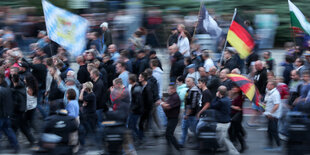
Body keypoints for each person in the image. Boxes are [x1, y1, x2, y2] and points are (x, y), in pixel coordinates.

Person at [210, 86, 239, 155]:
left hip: (222, 122)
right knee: (221, 136)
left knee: (225, 138)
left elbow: (212, 105)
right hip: (226, 121)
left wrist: (216, 97)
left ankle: (234, 152)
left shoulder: (221, 101)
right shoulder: (227, 99)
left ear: (219, 92)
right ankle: (222, 147)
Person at [0, 71, 19, 153]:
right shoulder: (7, 88)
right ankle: (16, 146)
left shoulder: (1, 90)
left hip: (1, 115)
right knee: (9, 131)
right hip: (7, 114)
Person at [159, 84, 181, 152]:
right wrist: (163, 103)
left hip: (173, 118)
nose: (168, 90)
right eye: (168, 89)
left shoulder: (175, 97)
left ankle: (178, 148)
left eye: (170, 89)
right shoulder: (171, 97)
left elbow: (168, 106)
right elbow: (166, 105)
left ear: (174, 89)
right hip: (170, 118)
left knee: (169, 134)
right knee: (167, 134)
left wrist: (161, 103)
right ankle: (169, 149)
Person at [180, 77, 201, 147]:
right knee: (184, 128)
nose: (187, 82)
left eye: (188, 81)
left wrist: (187, 114)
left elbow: (193, 104)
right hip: (188, 113)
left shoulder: (195, 91)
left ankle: (199, 144)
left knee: (195, 129)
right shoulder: (189, 90)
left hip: (192, 114)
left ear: (193, 82)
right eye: (186, 81)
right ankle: (181, 142)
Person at [263, 80, 281, 151]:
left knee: (274, 131)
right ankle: (270, 145)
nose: (267, 86)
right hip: (270, 115)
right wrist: (264, 105)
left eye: (268, 85)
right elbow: (271, 103)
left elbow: (277, 105)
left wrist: (270, 113)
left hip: (273, 116)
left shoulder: (275, 94)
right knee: (270, 131)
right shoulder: (270, 93)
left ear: (273, 86)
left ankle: (279, 146)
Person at [228, 84, 246, 153]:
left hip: (237, 116)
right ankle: (234, 142)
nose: (234, 88)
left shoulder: (240, 97)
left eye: (235, 87)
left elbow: (239, 108)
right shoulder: (233, 95)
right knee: (232, 130)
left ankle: (243, 145)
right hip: (232, 114)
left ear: (239, 89)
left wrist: (231, 105)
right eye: (233, 87)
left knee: (237, 132)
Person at [138, 72, 153, 140]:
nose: (139, 78)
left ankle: (141, 137)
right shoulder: (144, 86)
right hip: (144, 109)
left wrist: (145, 109)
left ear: (143, 78)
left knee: (141, 123)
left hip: (145, 109)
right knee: (141, 123)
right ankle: (142, 136)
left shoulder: (147, 88)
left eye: (140, 77)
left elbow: (149, 100)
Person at [128, 74, 143, 140]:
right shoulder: (134, 87)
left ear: (131, 80)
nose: (127, 81)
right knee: (132, 125)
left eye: (128, 79)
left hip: (136, 110)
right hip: (135, 109)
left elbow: (137, 102)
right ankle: (138, 137)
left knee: (132, 125)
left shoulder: (136, 89)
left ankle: (138, 137)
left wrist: (132, 109)